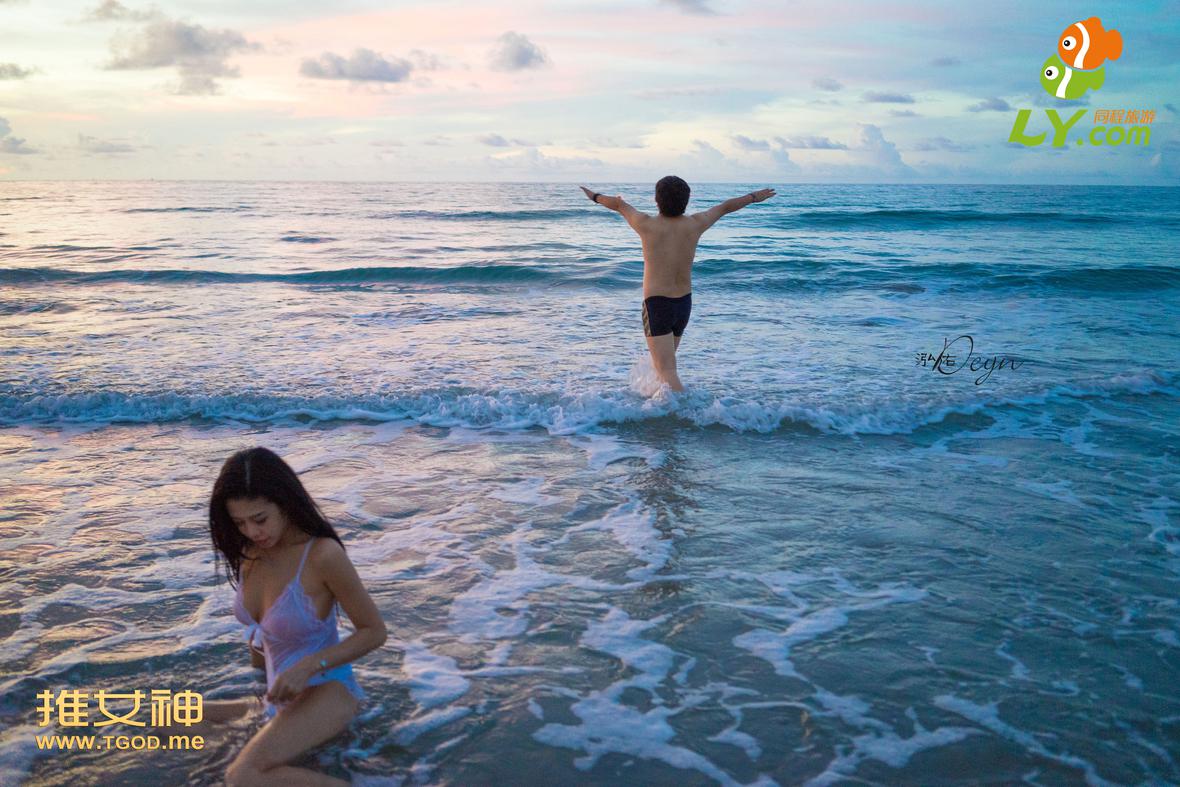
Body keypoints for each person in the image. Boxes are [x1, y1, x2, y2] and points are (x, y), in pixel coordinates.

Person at [201, 446, 387, 786]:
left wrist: (307, 666)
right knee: (166, 717)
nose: (252, 531)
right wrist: (260, 683)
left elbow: (374, 631)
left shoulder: (322, 555)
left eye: (260, 519)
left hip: (327, 691)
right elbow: (263, 635)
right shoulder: (249, 552)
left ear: (284, 503)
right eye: (240, 523)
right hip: (278, 697)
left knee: (241, 777)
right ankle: (267, 760)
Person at [580, 176, 776, 392]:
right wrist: (753, 197)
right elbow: (725, 207)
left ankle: (685, 408)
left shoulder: (646, 224)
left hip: (657, 305)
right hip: (683, 304)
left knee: (667, 369)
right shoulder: (696, 223)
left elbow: (618, 205)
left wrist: (594, 196)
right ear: (687, 200)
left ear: (656, 200)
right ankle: (661, 407)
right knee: (665, 367)